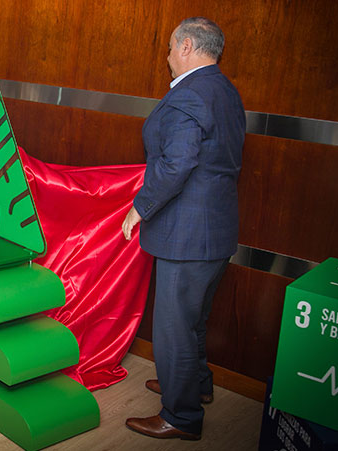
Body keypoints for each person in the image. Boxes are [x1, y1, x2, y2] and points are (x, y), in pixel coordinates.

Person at [121, 17, 245, 440]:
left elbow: (177, 163)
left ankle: (181, 415)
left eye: (171, 48)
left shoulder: (190, 93)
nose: (169, 56)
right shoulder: (225, 90)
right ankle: (196, 386)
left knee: (174, 327)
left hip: (188, 233)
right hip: (217, 230)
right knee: (193, 319)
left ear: (187, 46)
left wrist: (140, 208)